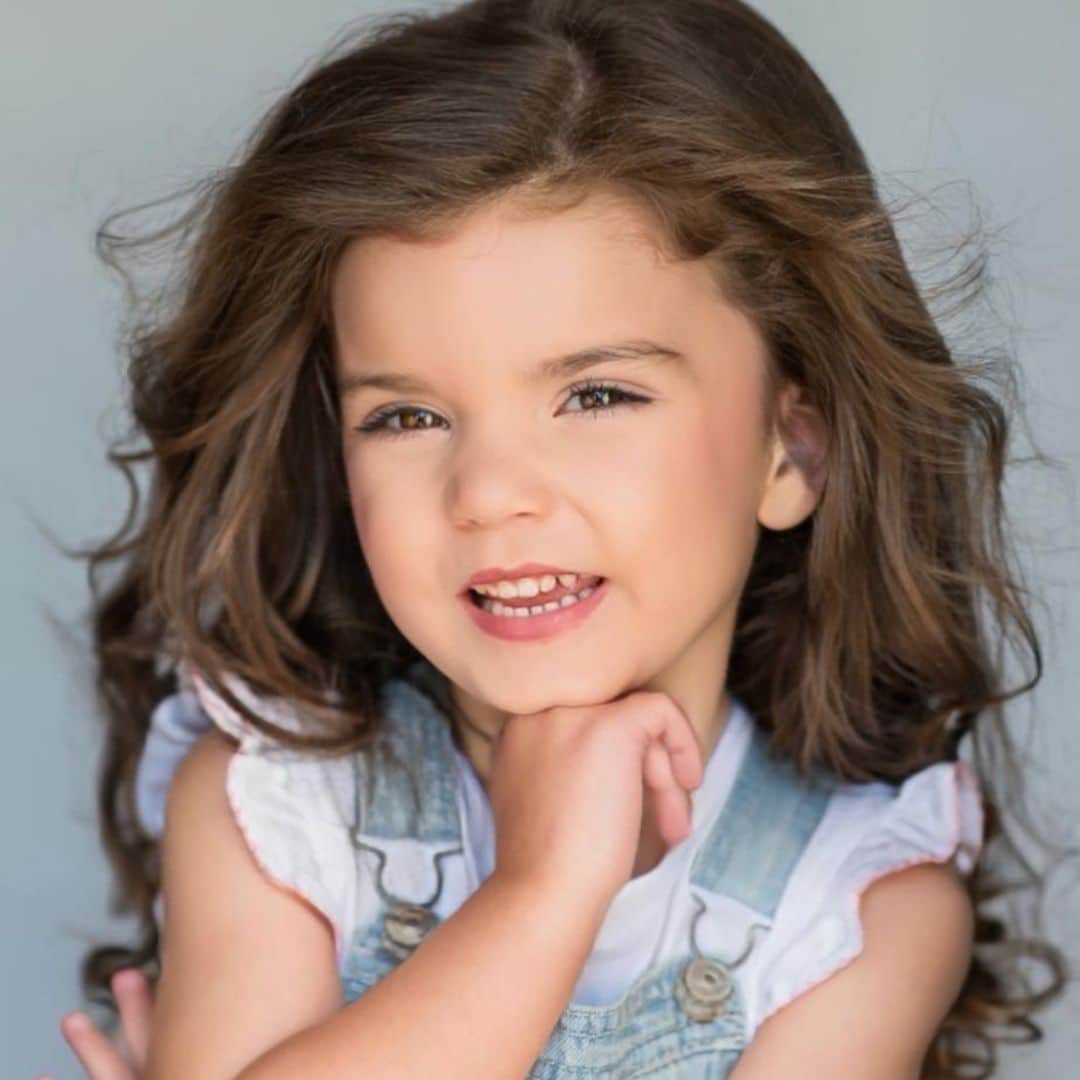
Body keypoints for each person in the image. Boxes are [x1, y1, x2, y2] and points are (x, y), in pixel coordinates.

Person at [43, 0, 1068, 1077]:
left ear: (790, 452)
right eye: (406, 416)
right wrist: (541, 895)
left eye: (596, 394)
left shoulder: (856, 911)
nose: (488, 492)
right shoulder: (280, 806)